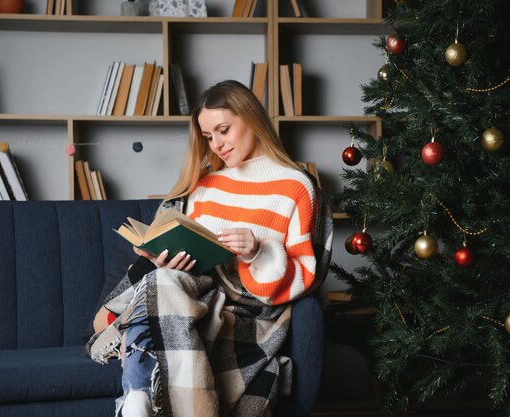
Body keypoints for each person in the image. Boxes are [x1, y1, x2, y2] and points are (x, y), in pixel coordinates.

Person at [87, 80, 332, 417]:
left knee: (165, 290)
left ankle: (138, 395)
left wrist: (257, 252)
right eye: (208, 136)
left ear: (252, 119)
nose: (216, 144)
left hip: (248, 313)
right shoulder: (203, 185)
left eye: (223, 130)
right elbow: (189, 254)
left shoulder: (297, 186)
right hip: (192, 296)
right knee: (163, 281)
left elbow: (307, 274)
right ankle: (138, 396)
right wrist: (164, 258)